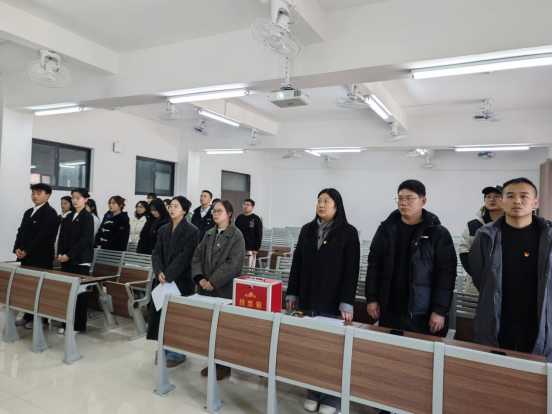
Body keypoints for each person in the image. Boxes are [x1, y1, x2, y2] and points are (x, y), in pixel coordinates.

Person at [286, 188, 360, 414]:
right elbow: (297, 263)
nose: (321, 204)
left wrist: (347, 302)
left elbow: (352, 270)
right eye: (319, 200)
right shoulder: (307, 230)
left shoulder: (348, 232)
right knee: (310, 349)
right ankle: (313, 393)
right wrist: (292, 293)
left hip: (333, 300)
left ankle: (331, 398)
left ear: (337, 206)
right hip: (308, 298)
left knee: (331, 351)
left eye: (327, 201)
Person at [469, 177, 552, 361]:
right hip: (497, 319)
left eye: (524, 196)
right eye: (510, 196)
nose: (517, 201)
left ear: (535, 202)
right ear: (502, 201)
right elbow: (480, 276)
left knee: (536, 372)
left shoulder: (548, 237)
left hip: (540, 320)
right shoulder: (485, 236)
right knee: (494, 369)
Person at [366, 180, 457, 338]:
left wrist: (439, 310)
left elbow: (445, 274)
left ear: (423, 200)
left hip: (421, 311)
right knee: (386, 349)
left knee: (417, 351)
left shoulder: (438, 233)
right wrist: (372, 298)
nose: (403, 203)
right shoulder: (386, 229)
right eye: (400, 198)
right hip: (389, 307)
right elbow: (374, 265)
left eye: (409, 198)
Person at [192, 199, 245, 380]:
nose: (215, 214)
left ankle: (224, 365)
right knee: (209, 327)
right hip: (205, 288)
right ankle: (212, 361)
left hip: (224, 289)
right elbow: (197, 256)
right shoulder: (209, 233)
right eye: (214, 211)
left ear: (229, 214)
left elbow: (234, 264)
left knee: (223, 329)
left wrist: (213, 282)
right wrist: (199, 278)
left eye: (219, 211)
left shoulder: (236, 235)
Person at [147, 196, 198, 368]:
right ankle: (163, 346)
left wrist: (168, 274)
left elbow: (185, 257)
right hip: (162, 280)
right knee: (161, 315)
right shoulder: (163, 229)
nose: (172, 208)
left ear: (184, 210)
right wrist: (159, 271)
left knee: (177, 317)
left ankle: (178, 351)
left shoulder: (192, 231)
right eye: (170, 206)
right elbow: (156, 253)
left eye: (176, 206)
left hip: (181, 281)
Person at [13, 183, 59, 329]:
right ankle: (27, 316)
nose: (35, 195)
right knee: (28, 288)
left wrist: (27, 250)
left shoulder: (50, 213)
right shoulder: (29, 212)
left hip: (41, 257)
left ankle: (41, 319)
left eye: (39, 193)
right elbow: (21, 231)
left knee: (40, 289)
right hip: (27, 257)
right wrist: (17, 248)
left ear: (48, 195)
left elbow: (42, 236)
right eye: (33, 192)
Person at [57, 188, 95, 334]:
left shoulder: (87, 217)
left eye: (78, 198)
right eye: (73, 197)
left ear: (86, 199)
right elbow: (61, 237)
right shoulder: (68, 216)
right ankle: (66, 323)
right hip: (67, 260)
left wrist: (69, 255)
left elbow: (84, 240)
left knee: (79, 294)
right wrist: (61, 253)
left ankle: (78, 325)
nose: (74, 200)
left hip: (80, 260)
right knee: (66, 293)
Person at [458, 185, 504, 294]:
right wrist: (479, 275)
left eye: (497, 196)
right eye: (488, 196)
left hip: (505, 284)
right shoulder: (472, 225)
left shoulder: (513, 224)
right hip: (476, 286)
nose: (492, 199)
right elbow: (464, 251)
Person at [235, 199, 263, 267]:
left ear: (252, 207)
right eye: (244, 204)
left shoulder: (256, 219)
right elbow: (235, 231)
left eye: (248, 205)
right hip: (239, 246)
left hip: (250, 248)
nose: (246, 206)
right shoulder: (239, 217)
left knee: (249, 267)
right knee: (238, 267)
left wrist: (256, 248)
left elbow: (259, 234)